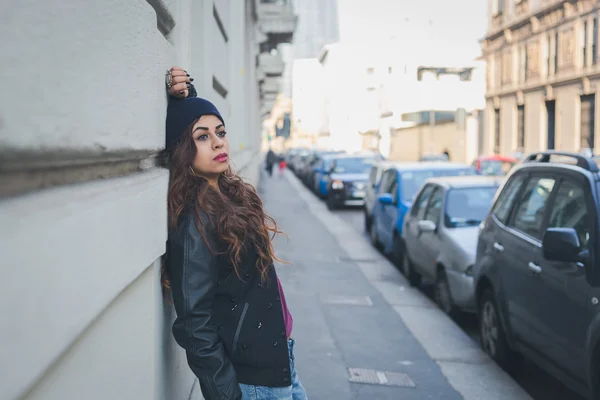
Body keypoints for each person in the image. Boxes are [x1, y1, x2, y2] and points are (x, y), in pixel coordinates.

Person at [162, 67, 307, 400]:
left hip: (280, 361)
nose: (217, 142)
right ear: (184, 148)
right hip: (253, 383)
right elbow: (194, 324)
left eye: (220, 132)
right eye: (202, 136)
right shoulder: (195, 219)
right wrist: (227, 394)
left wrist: (191, 97)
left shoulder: (228, 194)